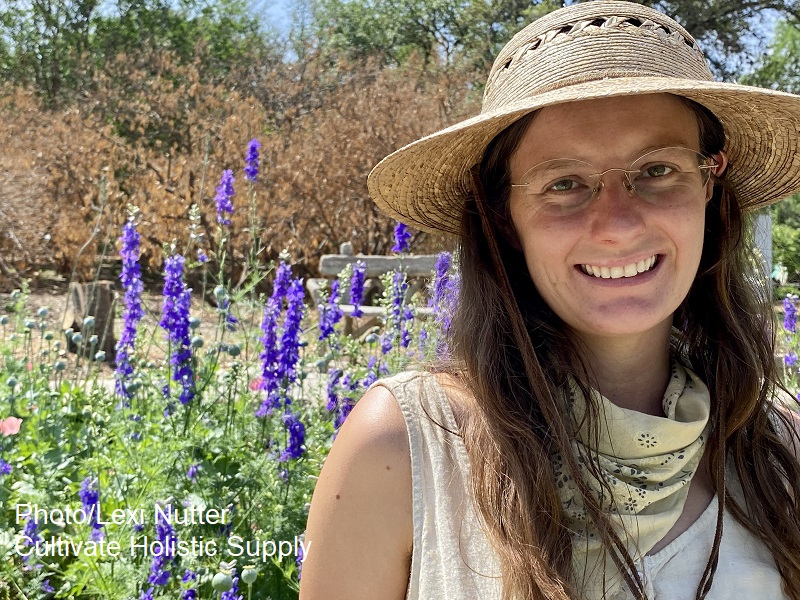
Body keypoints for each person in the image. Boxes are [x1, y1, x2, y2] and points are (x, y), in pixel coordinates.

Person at [299, 1, 800, 599]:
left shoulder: (781, 455)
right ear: (505, 219)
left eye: (658, 169)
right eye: (564, 183)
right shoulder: (406, 449)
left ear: (709, 188)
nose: (616, 224)